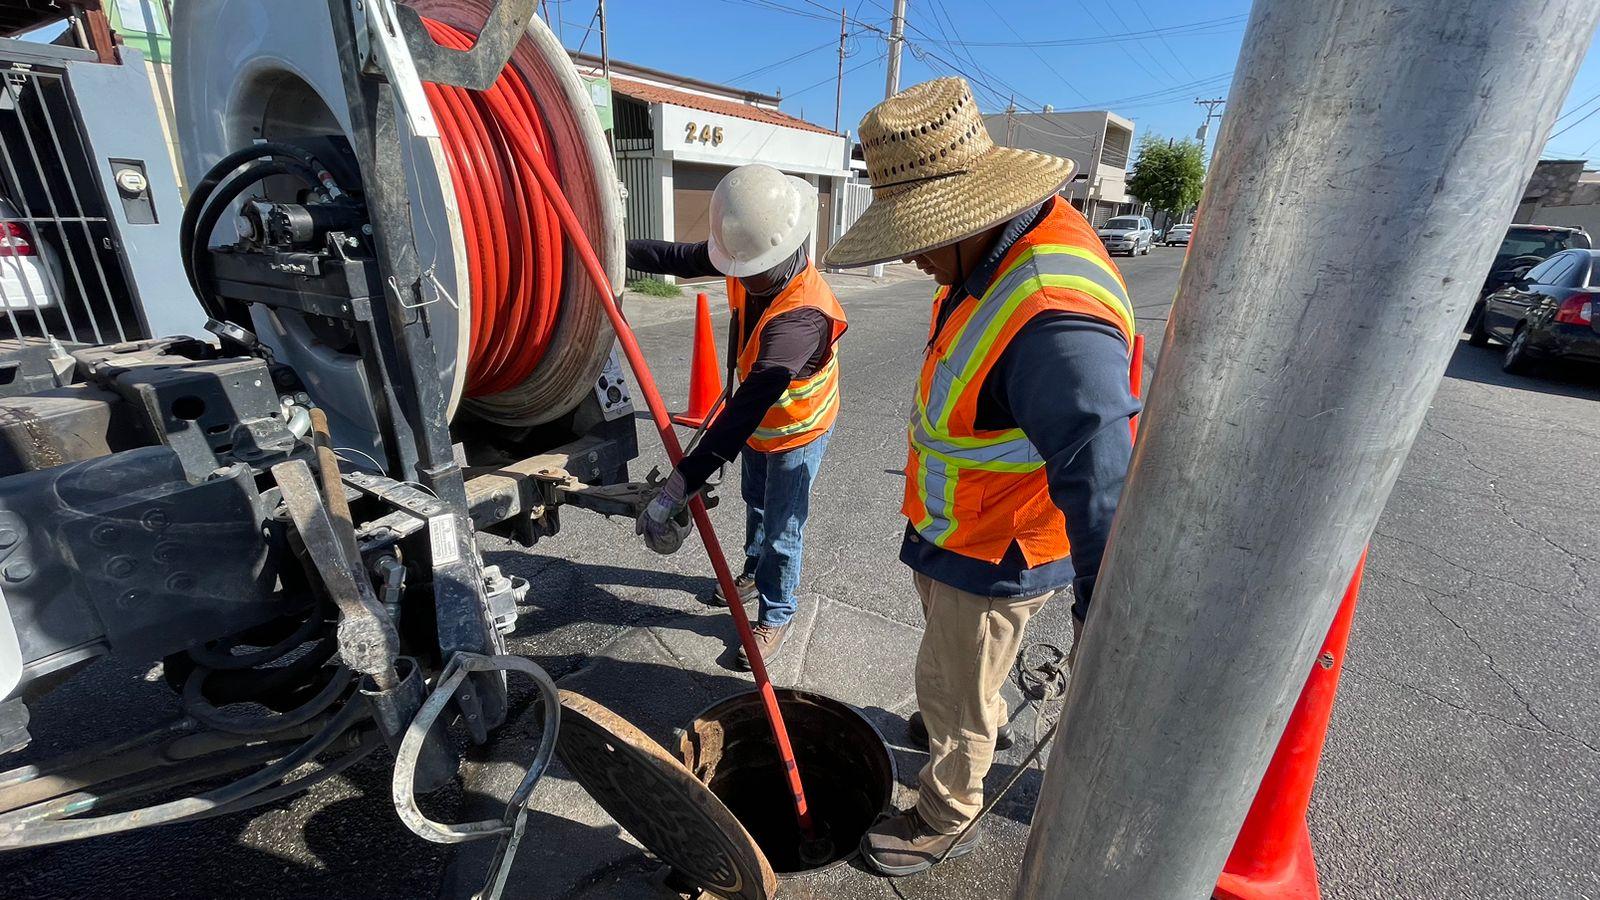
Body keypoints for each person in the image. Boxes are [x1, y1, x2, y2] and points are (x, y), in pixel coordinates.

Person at [824, 78, 1139, 876]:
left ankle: (943, 810)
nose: (913, 255)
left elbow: (1102, 471)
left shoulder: (1047, 311)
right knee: (954, 673)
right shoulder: (987, 259)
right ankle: (956, 730)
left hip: (997, 548)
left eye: (922, 235)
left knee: (959, 691)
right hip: (960, 530)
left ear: (971, 212)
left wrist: (1101, 615)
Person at [632, 164, 847, 669]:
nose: (741, 276)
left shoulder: (802, 317)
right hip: (760, 425)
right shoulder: (749, 257)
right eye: (737, 267)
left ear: (788, 251)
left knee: (782, 526)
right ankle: (754, 572)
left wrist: (679, 483)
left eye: (753, 270)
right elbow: (678, 257)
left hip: (798, 427)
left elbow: (744, 411)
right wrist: (612, 247)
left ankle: (777, 612)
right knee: (754, 502)